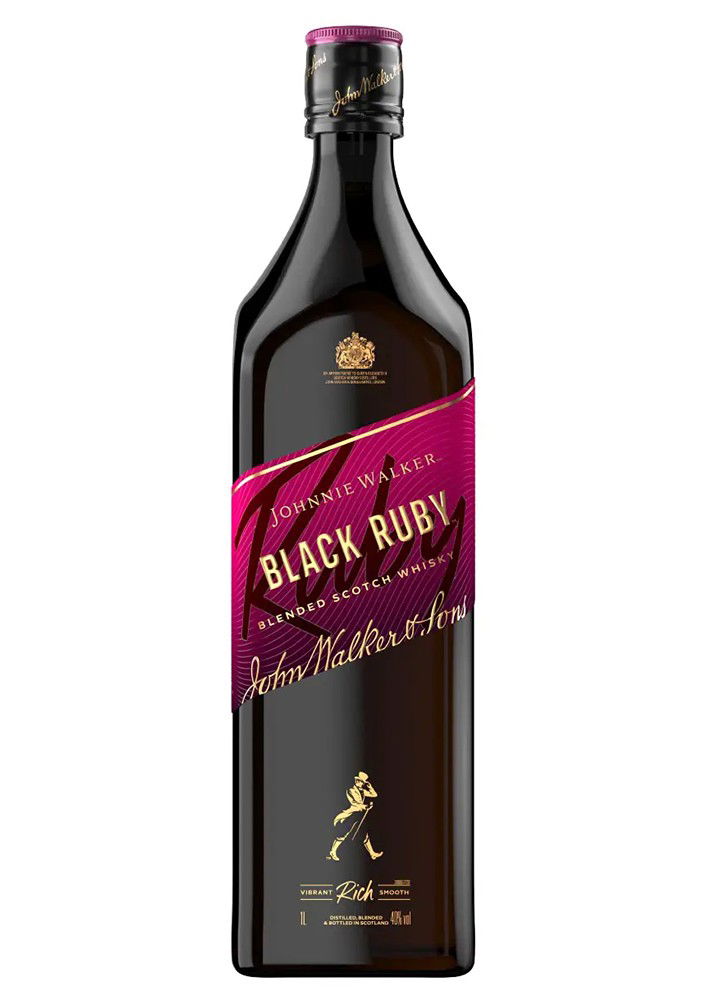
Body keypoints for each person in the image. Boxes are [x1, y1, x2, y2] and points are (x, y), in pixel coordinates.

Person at [326, 771, 384, 861]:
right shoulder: (351, 790)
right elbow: (355, 804)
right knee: (343, 833)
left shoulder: (362, 791)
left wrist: (370, 787)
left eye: (360, 781)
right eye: (357, 780)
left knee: (364, 834)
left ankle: (372, 854)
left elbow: (374, 795)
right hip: (350, 814)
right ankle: (332, 851)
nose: (358, 782)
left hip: (358, 815)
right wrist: (365, 806)